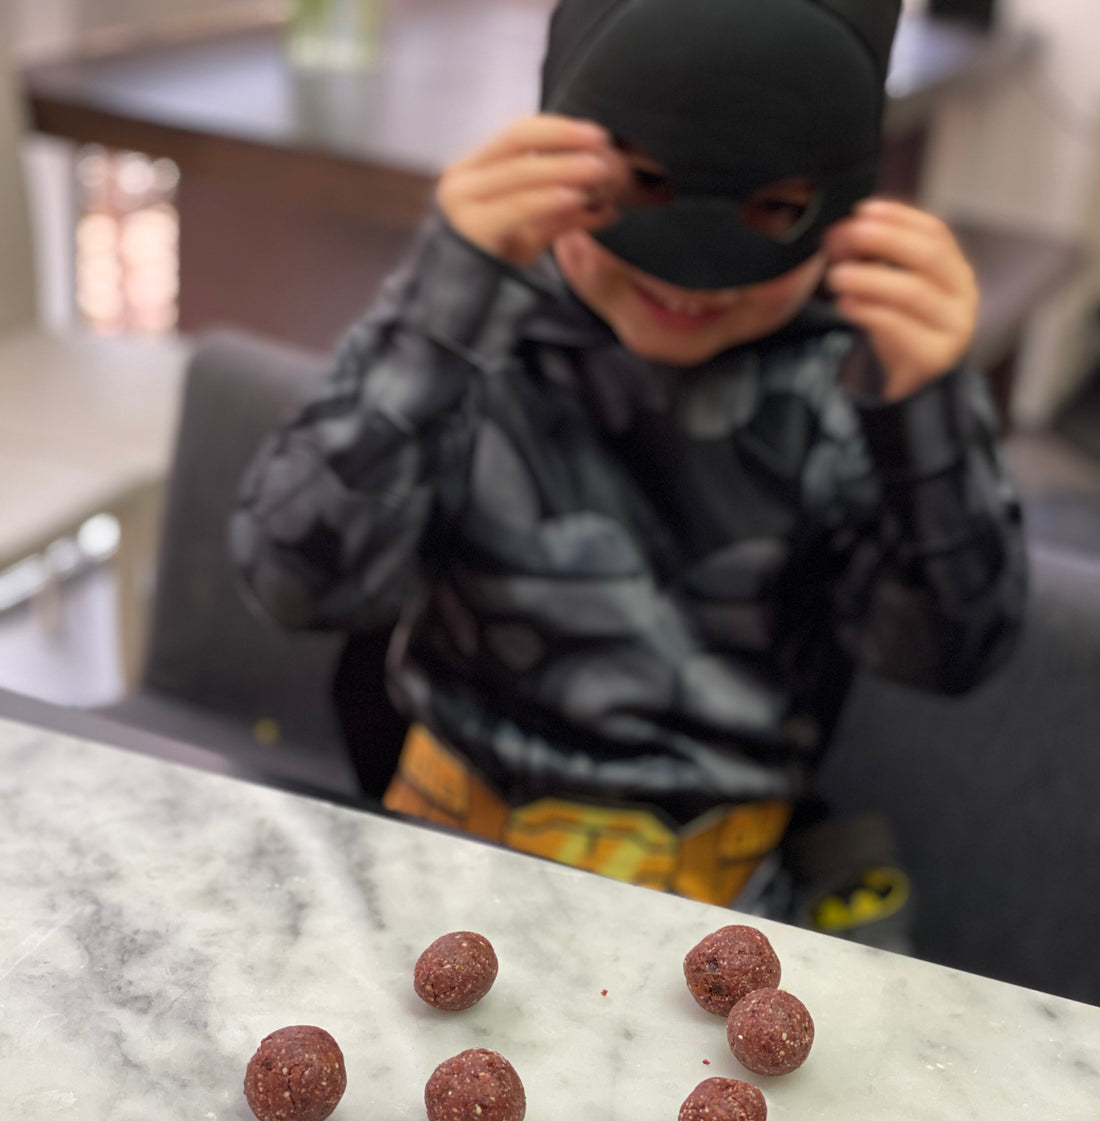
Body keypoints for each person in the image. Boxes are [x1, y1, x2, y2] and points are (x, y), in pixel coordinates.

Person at [230, 0, 1025, 940]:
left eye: (772, 205)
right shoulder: (478, 334)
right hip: (432, 860)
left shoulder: (840, 386)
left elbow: (947, 650)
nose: (692, 279)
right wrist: (436, 317)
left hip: (716, 903)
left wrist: (928, 413)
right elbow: (292, 582)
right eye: (645, 181)